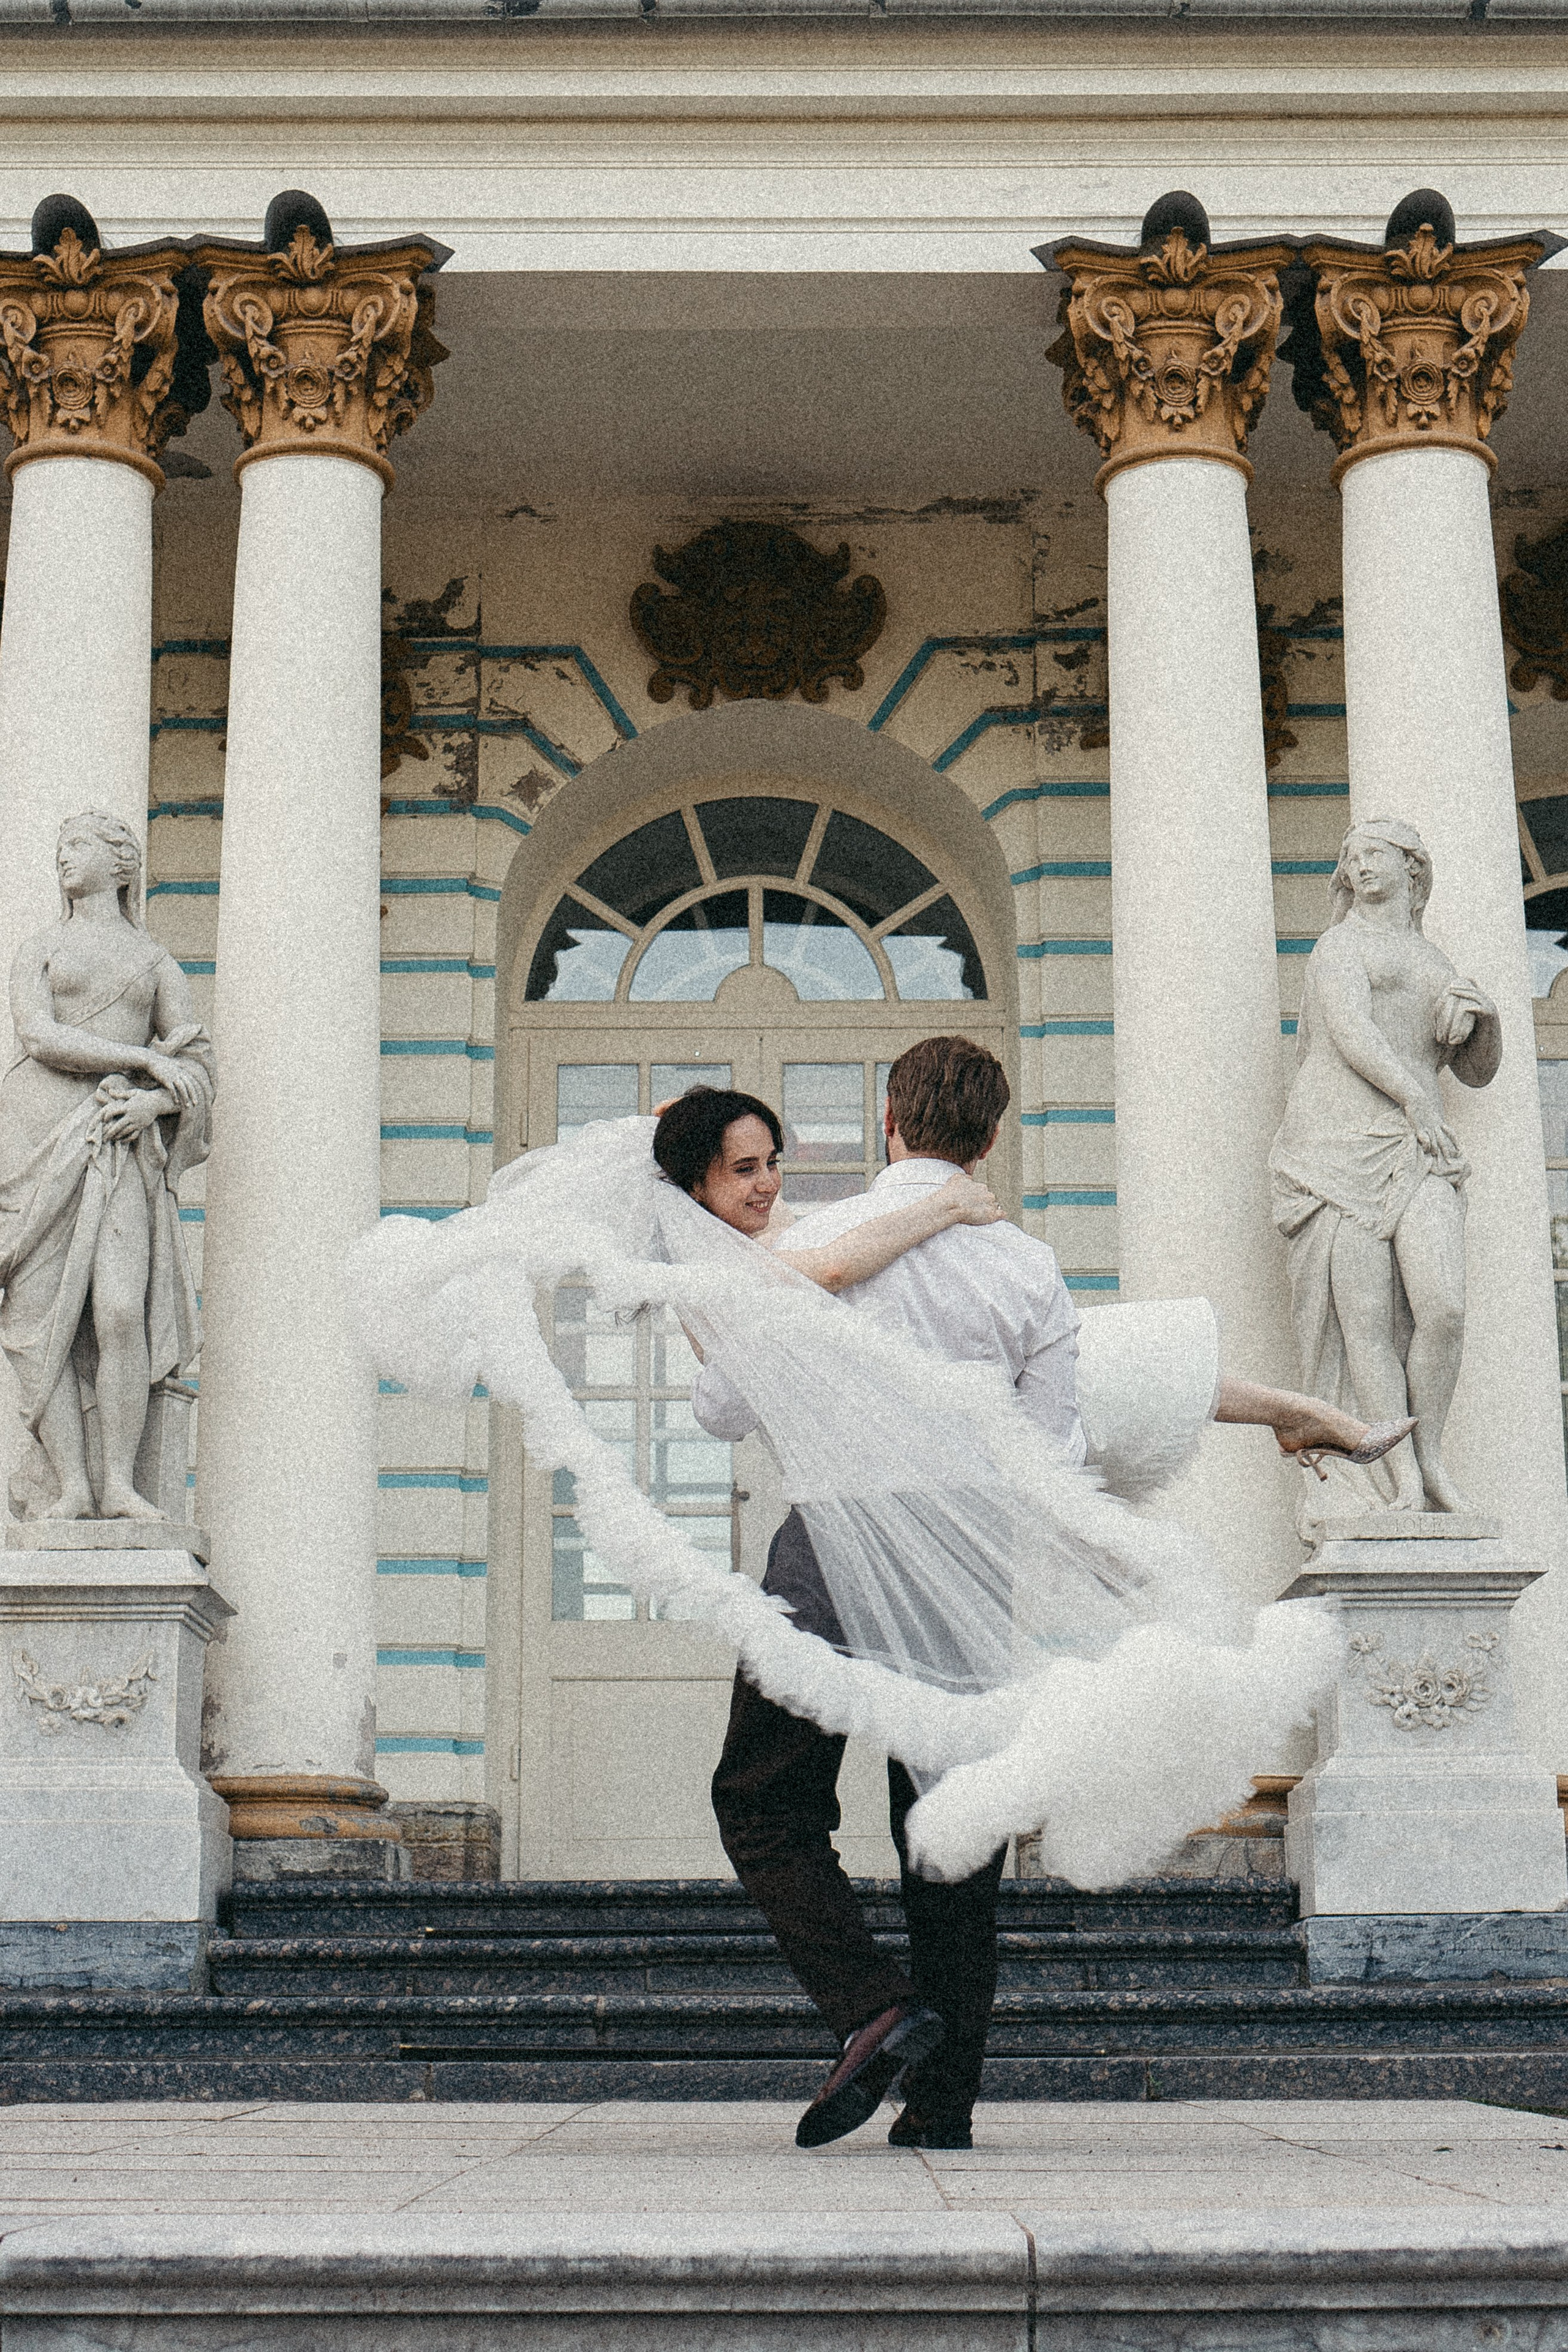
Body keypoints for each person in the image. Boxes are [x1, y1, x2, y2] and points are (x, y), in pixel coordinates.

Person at [660, 1043, 1411, 2154]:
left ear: (889, 1123)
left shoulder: (813, 1243)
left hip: (830, 1546)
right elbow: (1051, 1453)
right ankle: (945, 2105)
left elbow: (724, 1410)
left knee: (765, 1803)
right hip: (967, 1561)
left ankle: (870, 2005)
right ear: (992, 1137)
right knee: (954, 1826)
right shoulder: (1026, 1271)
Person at [1270, 818, 1498, 1513]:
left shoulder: (1435, 961)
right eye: (1351, 858)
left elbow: (1475, 1072)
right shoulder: (1339, 946)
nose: (1358, 866)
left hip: (1415, 1145)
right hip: (1336, 1144)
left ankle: (1431, 1459)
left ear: (1412, 869)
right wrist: (1414, 1101)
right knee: (1363, 1322)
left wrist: (1485, 1022)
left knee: (1444, 1309)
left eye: (1373, 854)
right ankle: (1397, 1475)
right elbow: (1350, 1031)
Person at [0, 810, 214, 1523]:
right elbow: (37, 1034)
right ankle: (72, 1487)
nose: (64, 857)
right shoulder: (40, 947)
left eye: (79, 846)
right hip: (35, 1140)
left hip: (119, 1144)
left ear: (121, 864)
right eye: (59, 846)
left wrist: (154, 1106)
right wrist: (140, 1058)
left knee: (121, 1311)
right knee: (39, 1321)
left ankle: (120, 1483)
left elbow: (197, 1066)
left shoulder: (155, 964)